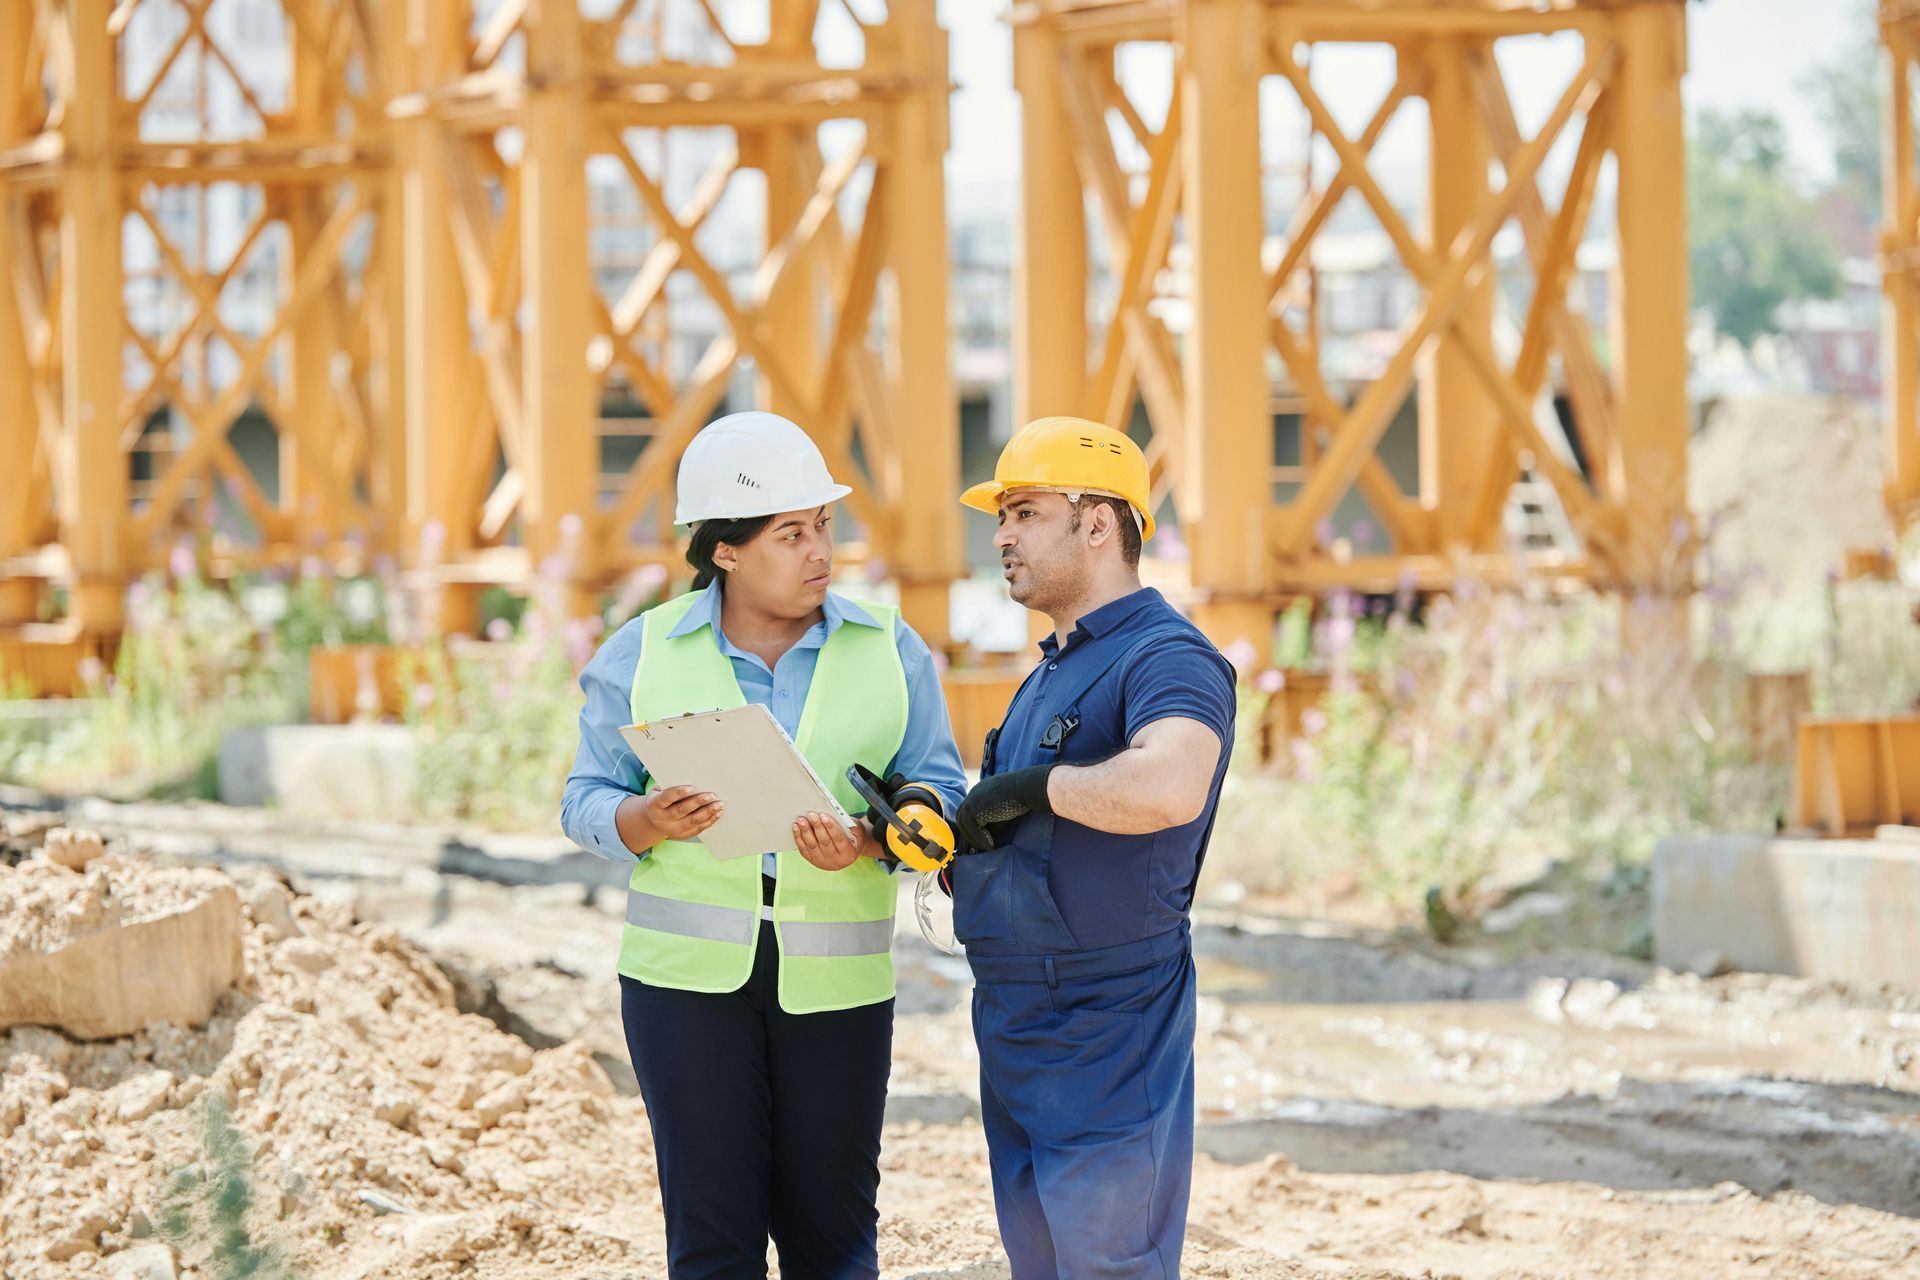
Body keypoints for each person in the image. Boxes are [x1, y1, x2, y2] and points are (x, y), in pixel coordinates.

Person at [561, 410, 967, 1280]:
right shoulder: (641, 652)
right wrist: (646, 821)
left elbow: (943, 792)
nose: (820, 551)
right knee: (713, 1244)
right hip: (683, 994)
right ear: (727, 551)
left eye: (823, 526)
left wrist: (869, 842)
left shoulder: (890, 650)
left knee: (834, 1242)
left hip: (839, 992)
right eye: (791, 534)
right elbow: (584, 799)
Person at [948, 415, 1238, 1279]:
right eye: (1000, 516)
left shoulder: (1168, 657)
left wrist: (1030, 788)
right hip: (1014, 1014)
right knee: (1042, 1261)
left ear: (1099, 522)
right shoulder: (1051, 668)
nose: (1001, 535)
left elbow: (1168, 785)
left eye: (1025, 512)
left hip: (1109, 1015)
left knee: (1110, 1264)